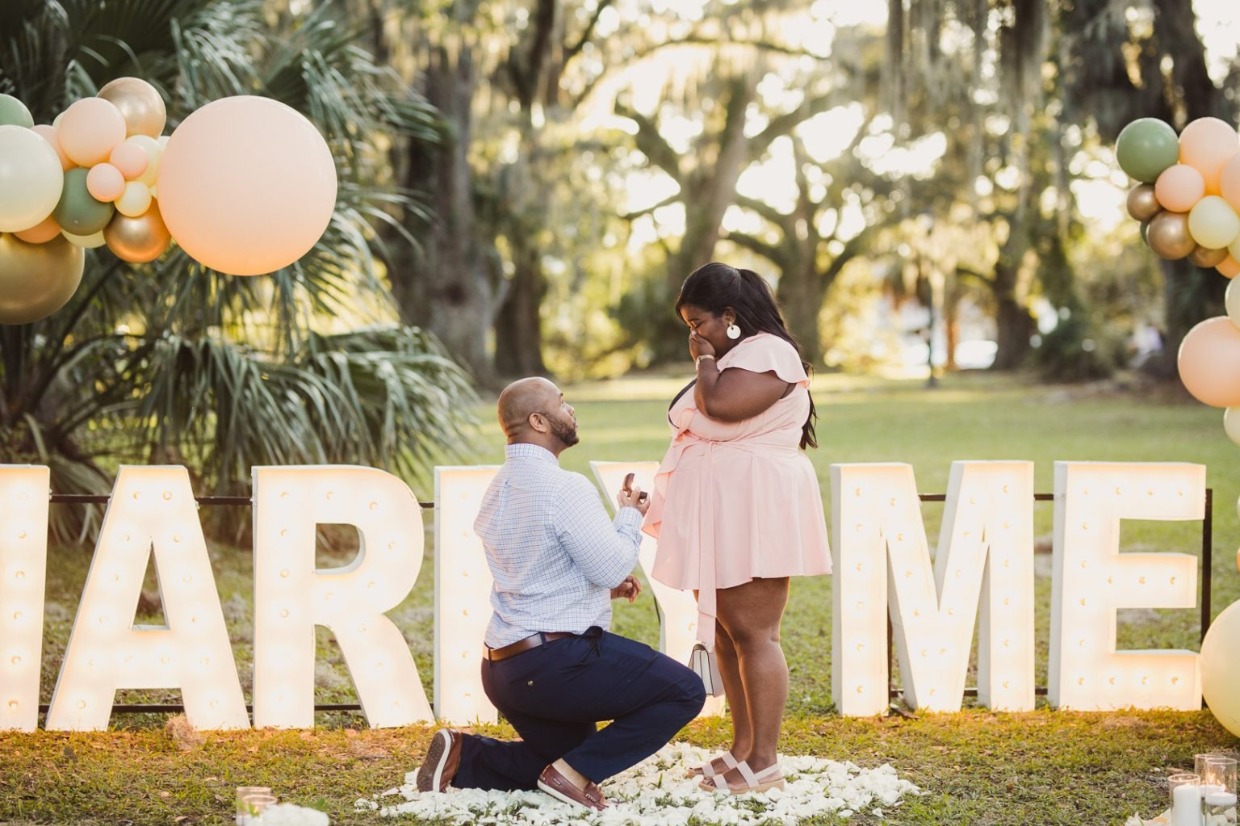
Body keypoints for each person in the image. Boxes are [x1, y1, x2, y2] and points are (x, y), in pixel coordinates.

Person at [415, 376, 706, 812]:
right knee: (685, 690)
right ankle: (571, 776)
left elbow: (536, 572)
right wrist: (628, 517)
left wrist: (598, 592)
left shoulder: (498, 488)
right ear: (538, 421)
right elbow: (610, 563)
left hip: (503, 670)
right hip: (555, 665)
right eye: (562, 403)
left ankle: (464, 755)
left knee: (563, 757)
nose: (571, 410)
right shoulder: (564, 487)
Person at [643, 262, 832, 795]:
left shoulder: (769, 351)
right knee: (726, 632)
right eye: (687, 324)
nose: (693, 334)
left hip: (756, 505)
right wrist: (710, 359)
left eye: (698, 321)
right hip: (723, 508)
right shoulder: (738, 356)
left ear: (729, 315)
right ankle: (742, 749)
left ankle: (765, 760)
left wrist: (705, 362)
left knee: (755, 633)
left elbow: (720, 407)